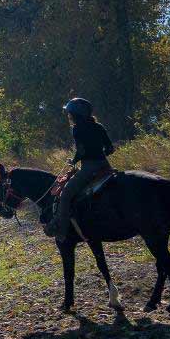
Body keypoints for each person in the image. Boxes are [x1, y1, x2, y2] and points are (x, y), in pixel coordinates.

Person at [51, 98, 114, 241]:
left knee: (66, 194)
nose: (69, 116)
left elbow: (81, 151)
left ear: (76, 114)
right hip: (105, 166)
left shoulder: (77, 129)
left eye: (70, 113)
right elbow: (110, 148)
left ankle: (61, 230)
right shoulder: (99, 127)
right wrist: (98, 154)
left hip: (89, 168)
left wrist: (73, 161)